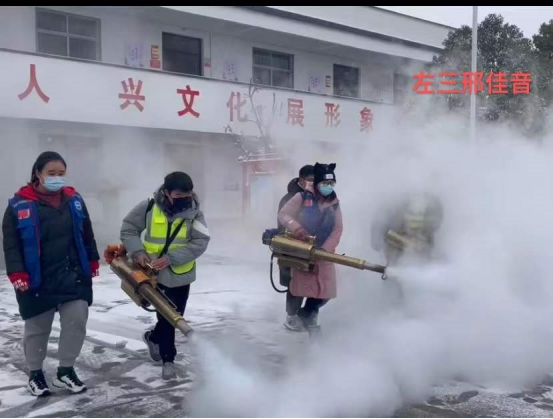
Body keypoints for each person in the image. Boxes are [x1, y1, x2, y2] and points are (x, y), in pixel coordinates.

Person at [2, 151, 100, 397]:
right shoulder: (19, 205)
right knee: (37, 329)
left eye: (61, 173)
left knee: (76, 322)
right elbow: (11, 245)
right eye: (51, 173)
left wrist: (92, 260)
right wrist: (17, 273)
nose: (57, 178)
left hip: (72, 274)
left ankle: (65, 371)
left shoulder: (74, 200)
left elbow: (86, 232)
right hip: (37, 278)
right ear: (38, 173)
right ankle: (35, 374)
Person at [120, 172, 210, 381]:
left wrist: (171, 258)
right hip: (152, 275)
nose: (183, 199)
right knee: (166, 317)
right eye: (178, 195)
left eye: (187, 195)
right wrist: (138, 252)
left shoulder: (195, 213)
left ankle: (153, 337)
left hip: (180, 275)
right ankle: (168, 359)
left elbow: (200, 242)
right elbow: (129, 229)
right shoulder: (149, 207)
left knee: (173, 316)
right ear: (166, 192)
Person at [278, 163, 343, 332]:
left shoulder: (334, 203)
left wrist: (326, 249)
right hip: (303, 252)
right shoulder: (300, 197)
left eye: (332, 183)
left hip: (324, 255)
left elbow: (338, 228)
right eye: (325, 183)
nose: (328, 187)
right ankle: (304, 321)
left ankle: (306, 314)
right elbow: (284, 215)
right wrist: (298, 230)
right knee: (301, 289)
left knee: (326, 293)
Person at [277, 165, 315, 332]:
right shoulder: (290, 198)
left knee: (311, 281)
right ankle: (291, 316)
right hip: (292, 247)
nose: (314, 183)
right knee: (295, 283)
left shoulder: (317, 197)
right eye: (311, 180)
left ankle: (307, 314)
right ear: (301, 180)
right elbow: (283, 222)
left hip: (312, 246)